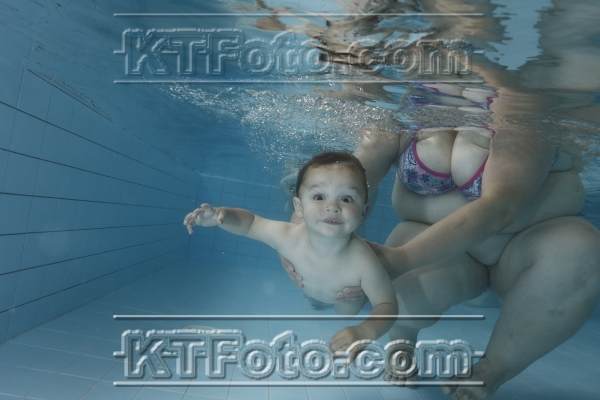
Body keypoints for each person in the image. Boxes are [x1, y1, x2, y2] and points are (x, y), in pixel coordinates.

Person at [281, 88, 600, 399]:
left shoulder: (522, 97)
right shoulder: (410, 96)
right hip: (438, 253)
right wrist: (296, 239)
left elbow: (501, 207)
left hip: (523, 250)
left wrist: (401, 258)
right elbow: (349, 171)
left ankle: (493, 368)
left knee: (580, 252)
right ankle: (402, 339)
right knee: (394, 283)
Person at [184, 151, 399, 354]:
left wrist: (365, 331)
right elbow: (251, 223)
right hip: (311, 285)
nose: (332, 207)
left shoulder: (363, 261)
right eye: (319, 197)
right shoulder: (288, 237)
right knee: (311, 295)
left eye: (346, 199)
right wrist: (221, 216)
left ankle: (331, 298)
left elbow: (387, 305)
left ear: (363, 212)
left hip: (344, 299)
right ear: (299, 207)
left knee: (345, 313)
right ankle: (314, 297)